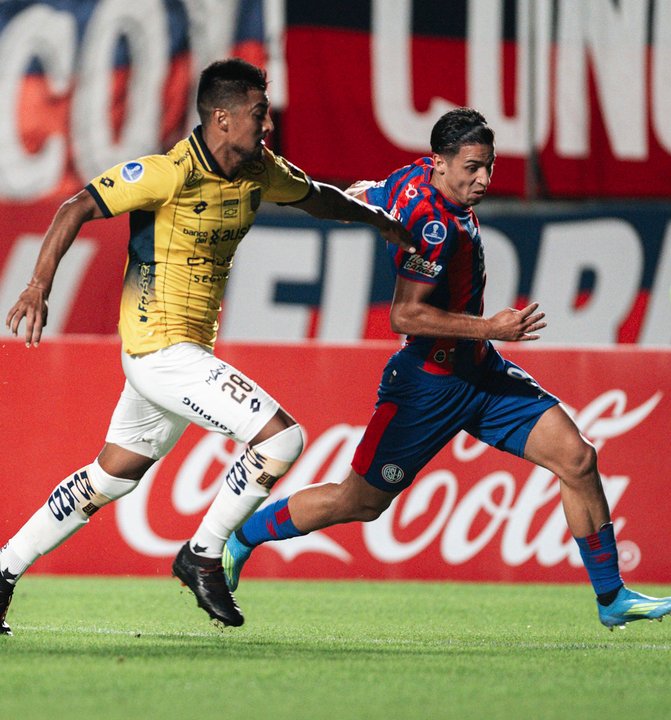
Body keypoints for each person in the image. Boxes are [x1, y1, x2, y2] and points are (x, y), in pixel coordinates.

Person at [221, 107, 671, 630]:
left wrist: (359, 200)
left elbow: (366, 191)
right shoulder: (434, 226)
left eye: (488, 166)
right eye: (472, 167)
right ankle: (243, 536)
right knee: (360, 502)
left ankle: (611, 596)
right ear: (441, 163)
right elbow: (405, 314)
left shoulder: (415, 176)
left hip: (480, 376)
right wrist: (494, 328)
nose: (483, 179)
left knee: (576, 459)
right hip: (427, 385)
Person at [0, 58, 413, 635]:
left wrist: (377, 220)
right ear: (222, 116)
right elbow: (76, 207)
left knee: (112, 477)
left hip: (177, 355)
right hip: (160, 350)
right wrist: (39, 284)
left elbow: (317, 196)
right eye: (258, 113)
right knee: (282, 439)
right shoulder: (166, 173)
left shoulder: (257, 169)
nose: (266, 124)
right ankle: (202, 552)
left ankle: (3, 570)